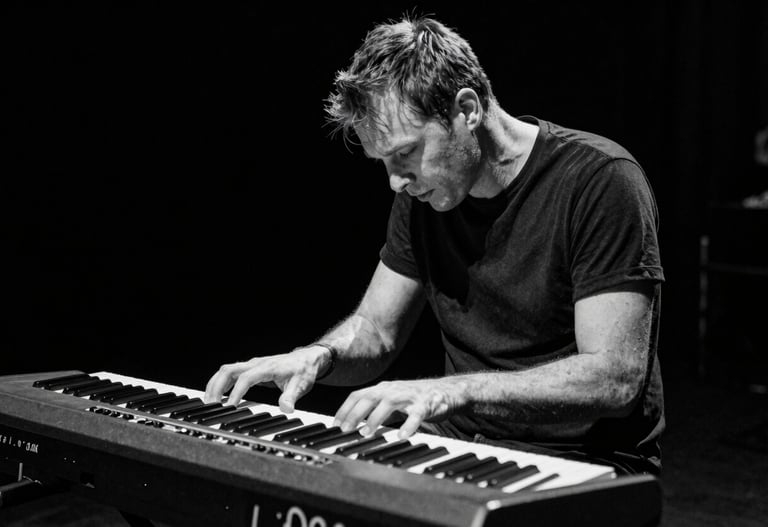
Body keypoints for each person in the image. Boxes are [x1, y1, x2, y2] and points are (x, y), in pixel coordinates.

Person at [205, 15, 665, 476]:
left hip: (584, 463)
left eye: (405, 153)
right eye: (383, 161)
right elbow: (376, 330)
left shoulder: (600, 182)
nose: (395, 181)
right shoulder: (423, 197)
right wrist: (318, 357)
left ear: (467, 110)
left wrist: (453, 391)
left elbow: (615, 377)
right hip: (457, 448)